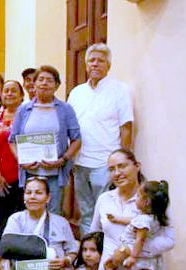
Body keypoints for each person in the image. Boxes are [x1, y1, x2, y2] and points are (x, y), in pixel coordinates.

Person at [68, 43, 134, 236]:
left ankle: (105, 250)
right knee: (86, 213)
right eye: (91, 60)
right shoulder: (77, 92)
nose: (95, 64)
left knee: (106, 212)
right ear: (86, 64)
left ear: (108, 65)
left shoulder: (120, 90)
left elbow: (126, 128)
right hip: (80, 163)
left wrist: (121, 161)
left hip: (105, 164)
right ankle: (89, 249)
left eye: (100, 61)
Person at [9, 65, 81, 215]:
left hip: (55, 174)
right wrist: (21, 160)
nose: (44, 83)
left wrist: (63, 159)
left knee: (53, 214)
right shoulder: (23, 110)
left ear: (57, 85)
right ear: (34, 84)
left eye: (49, 80)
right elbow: (12, 140)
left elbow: (77, 140)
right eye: (40, 79)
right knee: (32, 213)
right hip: (30, 173)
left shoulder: (65, 109)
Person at [100, 181, 170, 270]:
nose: (136, 199)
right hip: (148, 257)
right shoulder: (153, 218)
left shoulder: (142, 220)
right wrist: (117, 219)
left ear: (146, 201)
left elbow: (140, 239)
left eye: (138, 196)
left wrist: (133, 256)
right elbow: (133, 221)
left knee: (108, 264)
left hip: (129, 248)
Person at [0, 80, 25, 239]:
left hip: (24, 174)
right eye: (6, 91)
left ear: (21, 95)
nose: (9, 94)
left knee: (21, 214)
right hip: (3, 176)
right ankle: (2, 248)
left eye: (13, 91)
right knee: (2, 216)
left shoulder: (26, 116)